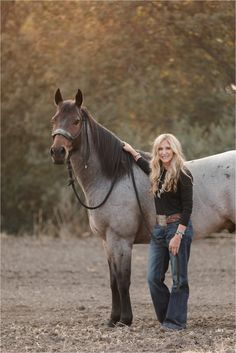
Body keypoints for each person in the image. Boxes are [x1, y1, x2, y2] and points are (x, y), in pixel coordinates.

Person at [123, 133, 193, 330]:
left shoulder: (184, 174)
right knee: (153, 278)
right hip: (159, 230)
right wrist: (132, 151)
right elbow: (143, 165)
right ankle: (168, 318)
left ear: (174, 150)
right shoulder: (157, 172)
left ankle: (176, 322)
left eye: (167, 148)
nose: (164, 152)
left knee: (179, 279)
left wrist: (178, 235)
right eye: (160, 149)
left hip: (177, 227)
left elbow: (188, 208)